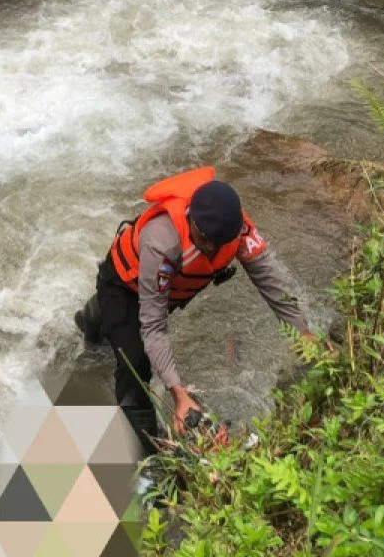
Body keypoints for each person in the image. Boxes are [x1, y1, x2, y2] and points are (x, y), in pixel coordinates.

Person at [77, 166, 318, 452]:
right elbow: (153, 325)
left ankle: (94, 320)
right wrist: (178, 394)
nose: (211, 248)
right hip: (123, 285)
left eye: (219, 243)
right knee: (135, 363)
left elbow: (270, 280)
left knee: (120, 333)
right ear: (191, 218)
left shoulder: (234, 228)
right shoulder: (162, 241)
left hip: (164, 290)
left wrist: (304, 333)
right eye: (204, 239)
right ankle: (148, 452)